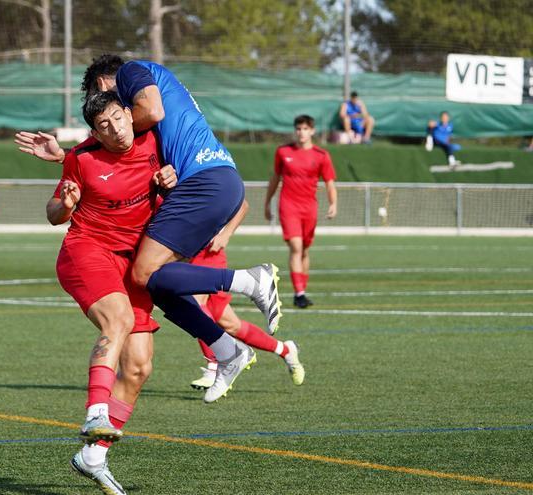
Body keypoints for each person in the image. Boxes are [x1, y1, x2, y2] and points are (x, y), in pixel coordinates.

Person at [69, 54, 281, 405]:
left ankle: (250, 281)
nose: (109, 116)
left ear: (105, 83)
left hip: (206, 182)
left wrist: (96, 140)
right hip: (209, 182)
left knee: (141, 272)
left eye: (105, 102)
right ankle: (227, 350)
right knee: (159, 286)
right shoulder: (149, 98)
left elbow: (152, 112)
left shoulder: (131, 71)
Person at [46, 91, 186, 495]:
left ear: (129, 114)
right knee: (118, 320)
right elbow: (54, 215)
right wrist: (66, 205)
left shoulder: (155, 141)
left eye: (118, 119)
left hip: (134, 261)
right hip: (86, 251)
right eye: (103, 127)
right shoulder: (81, 158)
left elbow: (172, 186)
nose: (115, 130)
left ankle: (93, 456)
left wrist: (170, 181)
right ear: (94, 132)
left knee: (140, 366)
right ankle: (95, 414)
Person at [188, 205, 305, 389]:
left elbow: (242, 205)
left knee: (194, 304)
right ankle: (286, 350)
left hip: (209, 254)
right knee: (231, 324)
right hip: (187, 256)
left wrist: (225, 234)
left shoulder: (202, 177)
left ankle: (214, 366)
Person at [264, 115, 337, 309]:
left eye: (305, 128)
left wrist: (333, 203)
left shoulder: (321, 155)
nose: (301, 132)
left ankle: (302, 289)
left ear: (312, 131)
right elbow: (275, 177)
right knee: (296, 247)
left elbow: (329, 182)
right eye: (298, 128)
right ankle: (299, 294)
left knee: (304, 249)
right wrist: (267, 202)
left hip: (309, 207)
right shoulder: (283, 152)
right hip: (288, 206)